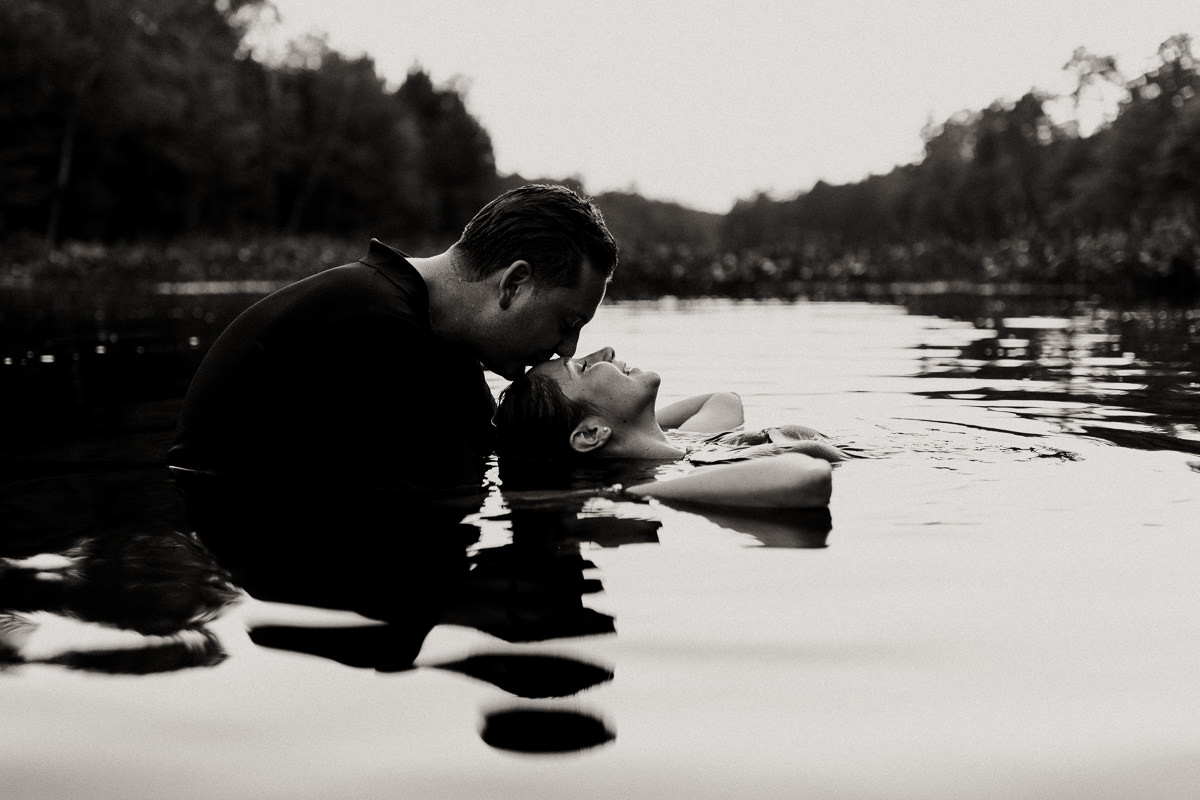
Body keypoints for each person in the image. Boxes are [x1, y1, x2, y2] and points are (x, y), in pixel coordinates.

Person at [169, 184, 618, 495]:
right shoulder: (375, 329)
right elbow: (446, 494)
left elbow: (495, 452)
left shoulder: (442, 339)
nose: (568, 349)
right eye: (566, 322)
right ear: (514, 284)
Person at [493, 347, 845, 508]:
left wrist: (637, 429)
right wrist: (626, 494)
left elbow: (723, 401)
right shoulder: (687, 474)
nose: (605, 352)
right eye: (583, 369)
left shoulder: (689, 446)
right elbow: (808, 478)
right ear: (588, 434)